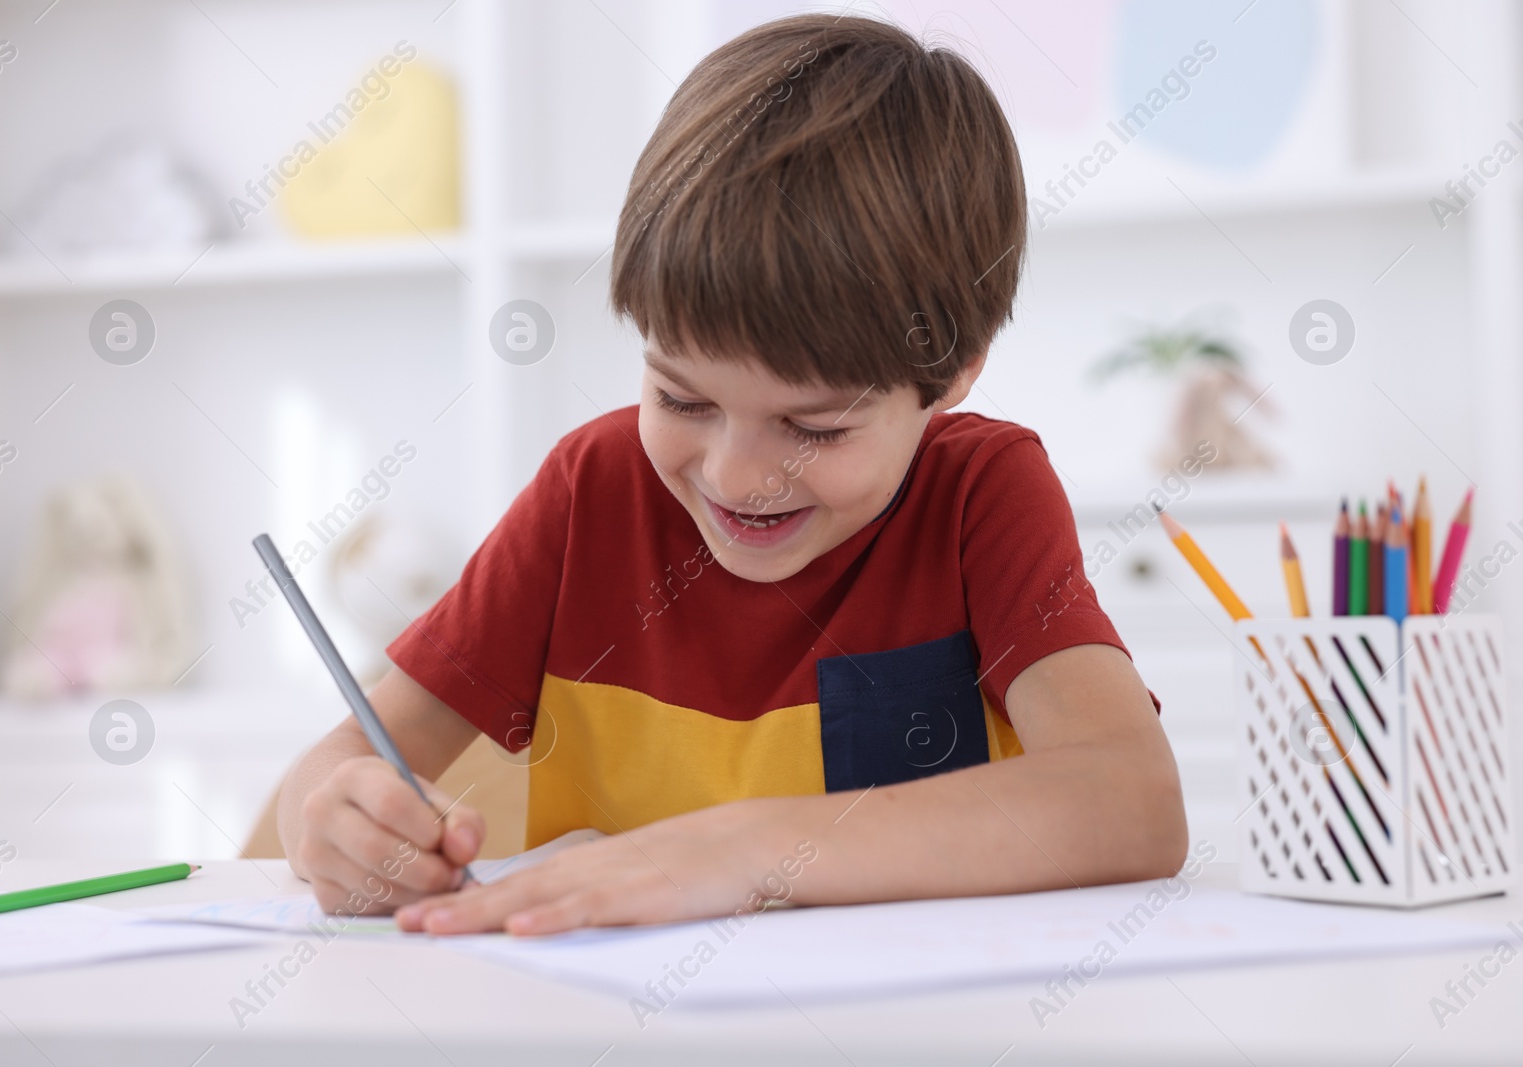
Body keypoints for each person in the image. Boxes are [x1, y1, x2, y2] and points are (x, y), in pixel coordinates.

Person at [278, 13, 1187, 936]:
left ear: (952, 373)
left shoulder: (980, 496)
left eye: (813, 425)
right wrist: (332, 815)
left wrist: (751, 850)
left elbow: (1134, 801)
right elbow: (347, 756)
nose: (736, 474)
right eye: (681, 398)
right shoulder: (589, 493)